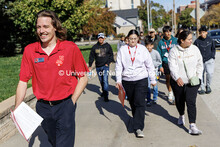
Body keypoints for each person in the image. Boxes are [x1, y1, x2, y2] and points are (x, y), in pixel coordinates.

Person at [14, 10, 88, 147]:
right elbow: (23, 81)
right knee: (54, 141)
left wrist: (71, 102)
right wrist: (17, 107)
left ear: (55, 27)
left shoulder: (70, 48)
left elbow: (83, 77)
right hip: (43, 108)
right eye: (38, 27)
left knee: (64, 144)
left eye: (46, 26)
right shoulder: (30, 51)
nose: (41, 31)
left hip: (65, 105)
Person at [115, 29, 156, 138]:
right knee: (133, 102)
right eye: (131, 39)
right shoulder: (123, 50)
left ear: (138, 39)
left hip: (141, 79)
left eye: (135, 39)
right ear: (127, 39)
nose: (132, 41)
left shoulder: (142, 49)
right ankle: (136, 119)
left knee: (139, 102)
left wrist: (153, 79)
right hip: (127, 80)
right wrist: (118, 80)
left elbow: (149, 65)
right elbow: (118, 66)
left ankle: (138, 127)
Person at [168, 30, 203, 135]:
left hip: (192, 82)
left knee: (191, 102)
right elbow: (172, 66)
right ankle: (181, 115)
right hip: (178, 82)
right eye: (189, 39)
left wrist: (199, 78)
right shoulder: (174, 51)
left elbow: (200, 64)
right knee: (179, 101)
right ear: (182, 40)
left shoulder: (195, 49)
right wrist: (177, 78)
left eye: (191, 39)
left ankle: (192, 125)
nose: (191, 41)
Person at [89, 33, 114, 102]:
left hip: (105, 66)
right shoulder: (94, 47)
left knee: (105, 80)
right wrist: (90, 66)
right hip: (98, 67)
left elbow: (111, 55)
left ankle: (106, 95)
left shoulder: (107, 46)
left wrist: (108, 63)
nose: (100, 39)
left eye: (102, 38)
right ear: (98, 39)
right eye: (99, 38)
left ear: (104, 39)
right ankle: (104, 91)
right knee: (101, 80)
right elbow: (91, 57)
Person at [157, 26, 178, 104]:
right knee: (168, 79)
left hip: (175, 62)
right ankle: (170, 92)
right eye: (166, 31)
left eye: (169, 31)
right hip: (165, 63)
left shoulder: (175, 40)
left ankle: (176, 95)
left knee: (175, 79)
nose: (168, 33)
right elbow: (159, 55)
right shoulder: (161, 42)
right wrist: (160, 66)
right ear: (164, 33)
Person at [194, 26, 216, 94]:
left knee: (210, 73)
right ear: (199, 33)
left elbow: (213, 49)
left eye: (204, 32)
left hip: (209, 60)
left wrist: (212, 56)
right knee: (201, 74)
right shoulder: (197, 41)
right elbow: (194, 51)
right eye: (201, 33)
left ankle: (208, 86)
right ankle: (202, 88)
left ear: (206, 32)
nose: (202, 34)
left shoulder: (210, 40)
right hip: (200, 61)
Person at [145, 39, 162, 106]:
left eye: (150, 46)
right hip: (146, 72)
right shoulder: (144, 53)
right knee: (148, 86)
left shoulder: (155, 52)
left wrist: (153, 64)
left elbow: (159, 61)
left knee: (154, 86)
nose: (148, 47)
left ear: (152, 46)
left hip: (154, 71)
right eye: (147, 46)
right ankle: (148, 99)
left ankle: (155, 98)